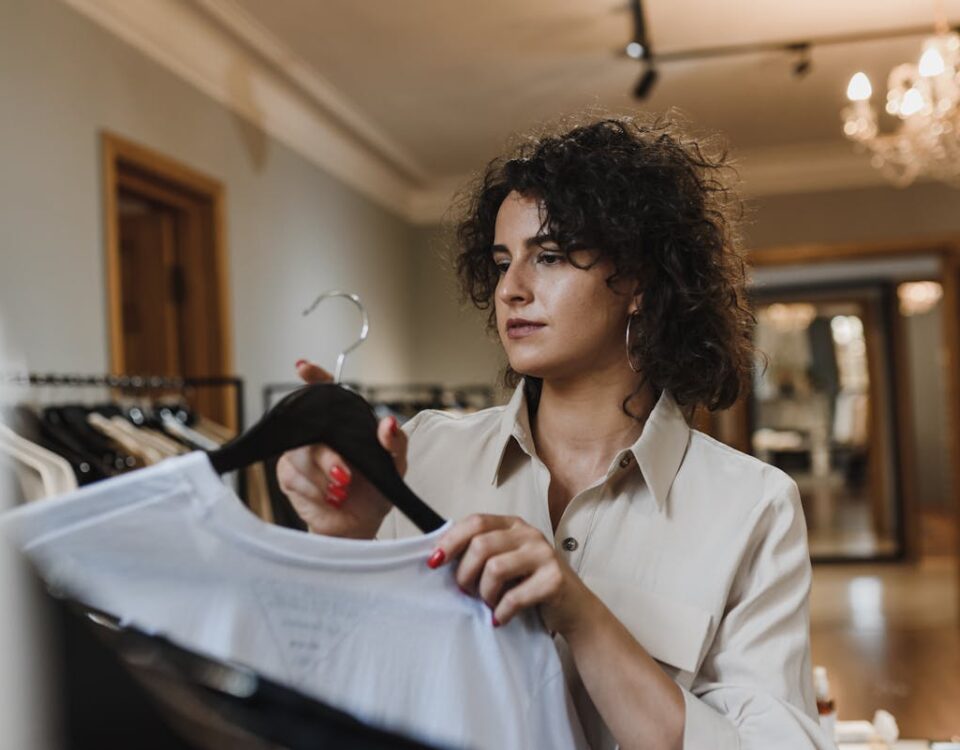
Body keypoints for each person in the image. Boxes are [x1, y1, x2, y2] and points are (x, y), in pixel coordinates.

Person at [276, 116, 833, 750]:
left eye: (548, 256)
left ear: (640, 285)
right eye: (502, 261)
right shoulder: (419, 455)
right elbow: (333, 697)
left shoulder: (752, 507)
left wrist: (585, 617)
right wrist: (342, 545)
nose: (510, 290)